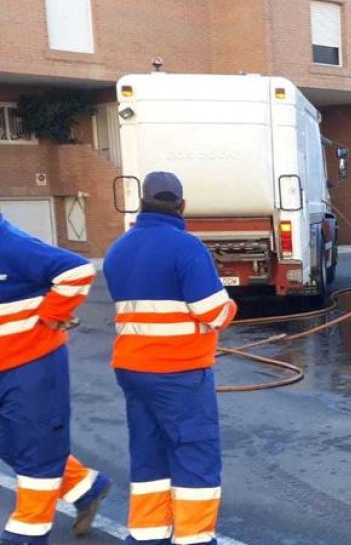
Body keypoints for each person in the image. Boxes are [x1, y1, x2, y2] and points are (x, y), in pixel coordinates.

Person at [103, 172, 237, 545]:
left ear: (142, 202)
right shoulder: (186, 247)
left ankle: (147, 535)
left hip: (132, 369)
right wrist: (230, 308)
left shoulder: (119, 248)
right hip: (178, 372)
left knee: (149, 452)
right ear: (182, 204)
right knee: (195, 452)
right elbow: (212, 311)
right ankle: (194, 538)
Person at [0, 211, 111, 544]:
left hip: (31, 363)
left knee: (36, 445)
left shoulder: (12, 245)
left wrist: (52, 316)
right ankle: (85, 486)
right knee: (12, 442)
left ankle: (27, 532)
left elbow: (77, 270)